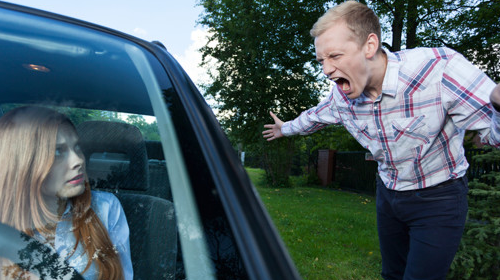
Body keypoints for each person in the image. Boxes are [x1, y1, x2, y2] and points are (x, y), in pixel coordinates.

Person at [263, 1, 500, 279]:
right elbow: (314, 117)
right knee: (392, 275)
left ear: (369, 45)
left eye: (335, 56)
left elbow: (492, 136)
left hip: (438, 198)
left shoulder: (438, 69)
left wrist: (498, 105)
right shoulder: (342, 97)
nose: (326, 70)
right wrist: (285, 129)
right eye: (321, 61)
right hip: (388, 195)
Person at [0, 106, 133, 280]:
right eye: (57, 151)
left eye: (77, 147)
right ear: (24, 163)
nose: (78, 160)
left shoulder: (105, 208)